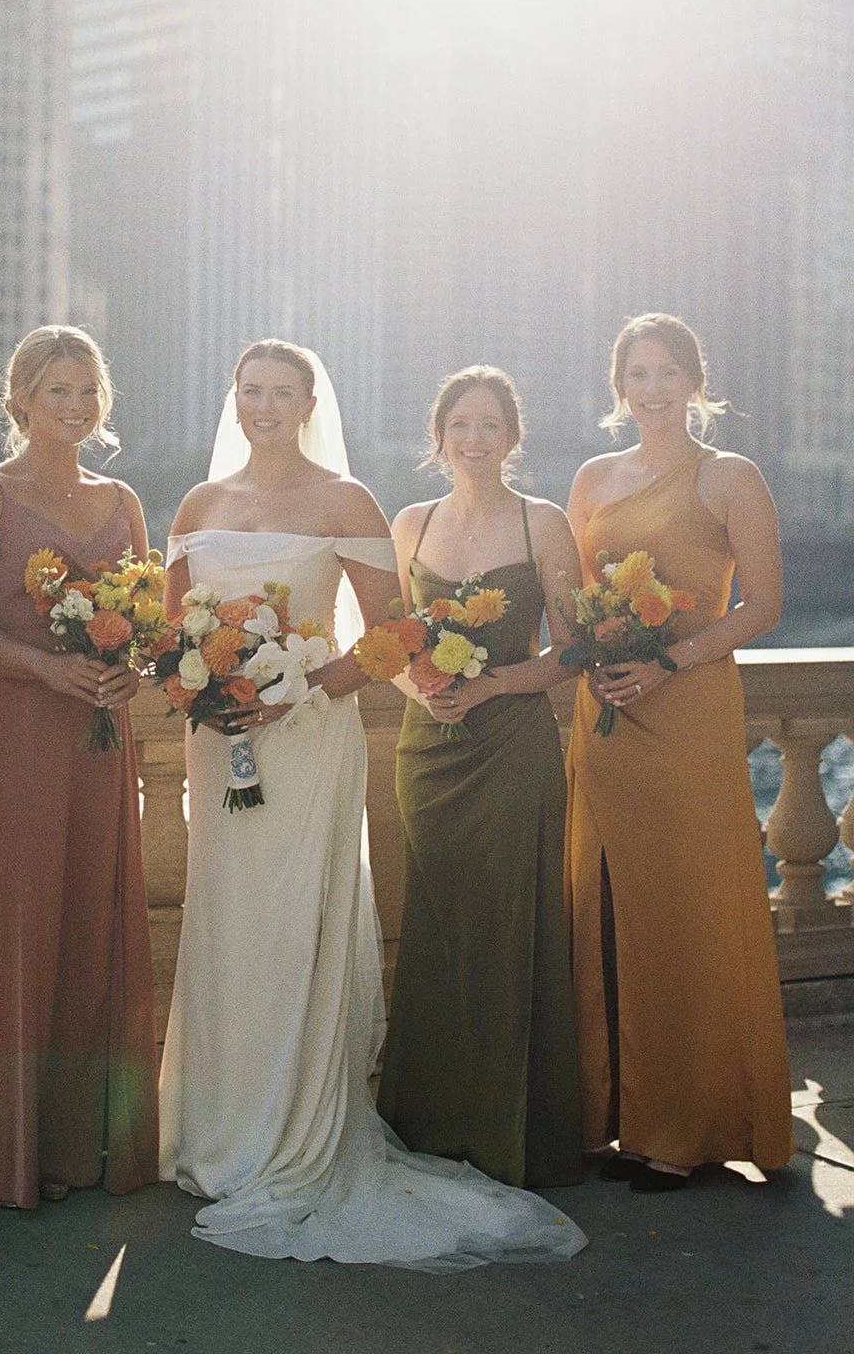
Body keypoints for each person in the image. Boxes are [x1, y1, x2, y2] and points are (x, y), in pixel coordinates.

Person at [158, 338, 586, 1270]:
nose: (265, 406)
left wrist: (294, 689)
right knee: (226, 925)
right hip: (219, 739)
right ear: (234, 399)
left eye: (282, 393)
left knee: (291, 925)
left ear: (310, 403)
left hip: (305, 738)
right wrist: (207, 687)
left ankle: (299, 1130)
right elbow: (167, 631)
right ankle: (219, 1130)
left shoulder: (347, 502)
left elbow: (392, 633)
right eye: (251, 392)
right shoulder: (198, 505)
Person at [0, 326, 158, 1209]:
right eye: (56, 389)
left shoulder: (124, 498)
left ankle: (72, 1142)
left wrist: (128, 662)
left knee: (89, 916)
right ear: (19, 399)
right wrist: (49, 667)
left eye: (87, 390)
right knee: (16, 919)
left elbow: (145, 611)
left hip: (98, 736)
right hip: (18, 730)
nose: (74, 405)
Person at [565, 312, 793, 1191]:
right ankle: (606, 1114)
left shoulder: (730, 475)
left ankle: (685, 1127)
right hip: (607, 714)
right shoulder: (591, 478)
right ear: (618, 386)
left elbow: (764, 605)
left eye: (666, 373)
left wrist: (669, 661)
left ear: (694, 382)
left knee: (688, 909)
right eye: (636, 374)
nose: (650, 389)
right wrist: (598, 655)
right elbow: (577, 598)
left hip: (689, 707)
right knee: (605, 902)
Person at [377, 367, 583, 1189]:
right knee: (440, 926)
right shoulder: (410, 523)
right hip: (429, 751)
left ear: (512, 437)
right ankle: (431, 1123)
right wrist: (421, 689)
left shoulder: (545, 522)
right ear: (439, 436)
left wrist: (494, 683)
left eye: (490, 424)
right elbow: (387, 642)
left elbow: (573, 647)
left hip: (514, 747)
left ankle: (515, 1129)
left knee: (510, 926)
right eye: (460, 424)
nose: (474, 438)